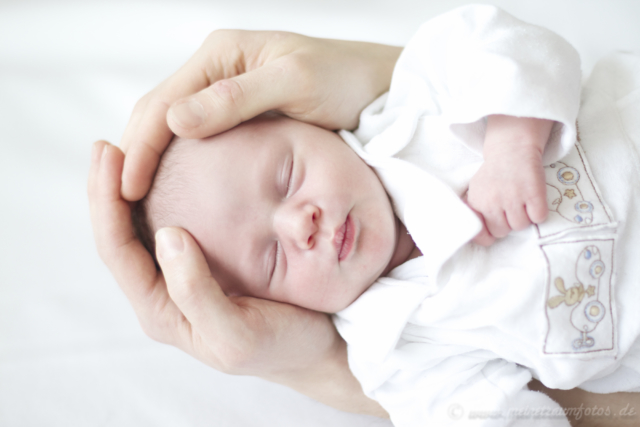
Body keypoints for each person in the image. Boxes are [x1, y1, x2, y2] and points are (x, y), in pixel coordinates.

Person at [88, 4, 640, 426]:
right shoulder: (391, 353)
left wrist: (512, 141)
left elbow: (506, 43)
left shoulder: (409, 112)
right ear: (259, 304)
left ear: (302, 122)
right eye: (272, 257)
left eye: (286, 177)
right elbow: (480, 412)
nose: (298, 224)